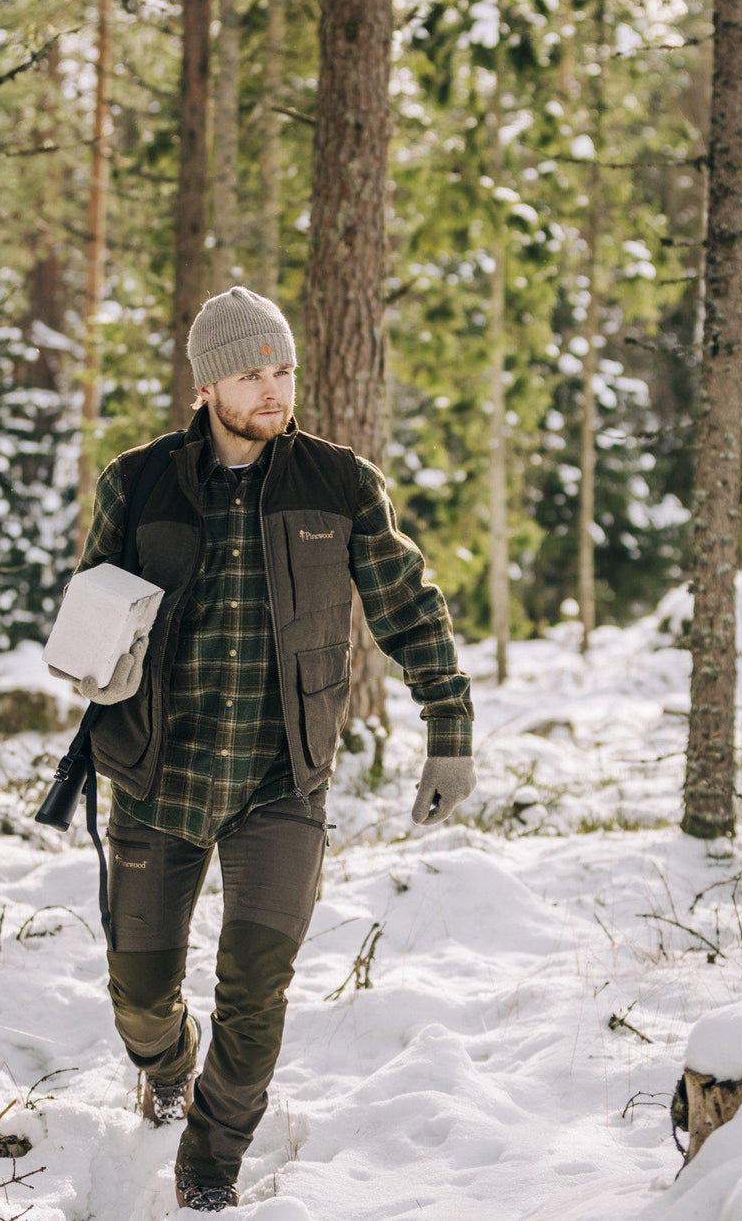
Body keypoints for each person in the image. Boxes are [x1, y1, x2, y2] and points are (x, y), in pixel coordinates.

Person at [60, 286, 475, 1213]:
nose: (275, 386)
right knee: (138, 996)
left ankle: (209, 1171)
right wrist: (92, 657)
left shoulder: (337, 481)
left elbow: (409, 605)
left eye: (282, 367)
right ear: (210, 384)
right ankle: (167, 1061)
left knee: (256, 990)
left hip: (282, 780)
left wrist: (448, 729)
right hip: (158, 775)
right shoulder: (141, 481)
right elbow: (90, 599)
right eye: (253, 371)